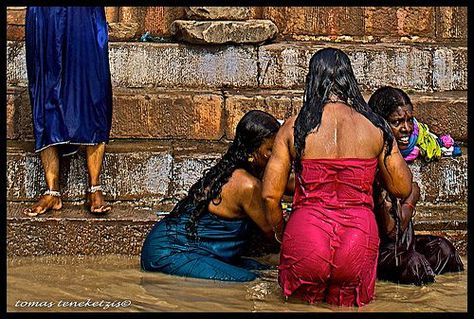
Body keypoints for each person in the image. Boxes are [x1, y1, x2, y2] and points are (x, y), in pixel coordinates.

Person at [261, 48, 413, 307]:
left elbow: (269, 195)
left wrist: (281, 232)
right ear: (348, 80)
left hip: (307, 234)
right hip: (358, 237)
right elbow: (402, 187)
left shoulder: (293, 127)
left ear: (312, 80)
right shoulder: (375, 127)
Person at [141, 110, 281, 281]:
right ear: (253, 150)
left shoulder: (236, 170)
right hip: (169, 251)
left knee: (262, 269)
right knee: (249, 280)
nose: (276, 156)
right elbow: (274, 233)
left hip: (191, 249)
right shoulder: (248, 185)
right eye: (270, 150)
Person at [368, 86, 464, 285]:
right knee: (413, 263)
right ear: (380, 125)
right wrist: (412, 196)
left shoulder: (398, 161)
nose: (407, 128)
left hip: (400, 245)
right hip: (378, 251)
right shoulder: (375, 167)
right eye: (397, 122)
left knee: (442, 249)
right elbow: (392, 231)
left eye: (409, 120)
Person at [24, 7, 113, 215]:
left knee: (94, 89)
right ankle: (52, 190)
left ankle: (95, 186)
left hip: (85, 13)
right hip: (45, 13)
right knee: (45, 90)